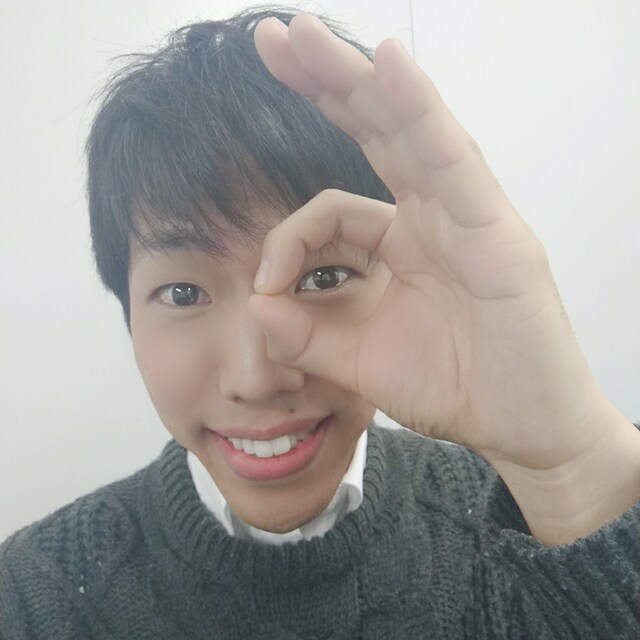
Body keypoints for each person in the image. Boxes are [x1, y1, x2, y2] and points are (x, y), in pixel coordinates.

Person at [1, 6, 638, 638]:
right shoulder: (34, 594)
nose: (256, 378)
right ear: (127, 315)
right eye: (183, 292)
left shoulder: (522, 534)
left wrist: (568, 461)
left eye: (324, 277)